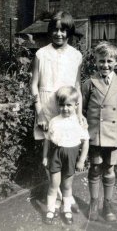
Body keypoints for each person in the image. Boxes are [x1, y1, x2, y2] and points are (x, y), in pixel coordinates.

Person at [31, 11, 83, 214]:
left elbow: (77, 85)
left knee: (67, 150)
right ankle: (61, 198)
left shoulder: (76, 55)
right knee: (49, 154)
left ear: (69, 32)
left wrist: (79, 113)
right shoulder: (41, 54)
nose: (58, 33)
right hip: (46, 107)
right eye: (55, 29)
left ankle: (66, 196)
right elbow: (33, 85)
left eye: (63, 30)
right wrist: (40, 112)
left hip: (68, 107)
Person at [82, 41, 117, 222]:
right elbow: (82, 109)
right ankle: (94, 204)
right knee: (95, 168)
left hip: (113, 135)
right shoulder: (89, 83)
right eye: (101, 61)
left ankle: (107, 206)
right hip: (95, 135)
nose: (105, 65)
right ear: (95, 61)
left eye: (109, 61)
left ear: (116, 62)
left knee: (109, 169)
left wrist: (114, 125)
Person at [42, 86, 89, 224]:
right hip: (56, 155)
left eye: (69, 105)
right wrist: (45, 157)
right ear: (58, 105)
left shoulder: (79, 122)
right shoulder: (54, 121)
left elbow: (85, 142)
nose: (65, 108)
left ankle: (66, 210)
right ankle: (51, 210)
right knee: (53, 185)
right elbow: (47, 141)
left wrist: (81, 160)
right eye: (62, 105)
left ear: (76, 105)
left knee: (67, 186)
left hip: (71, 156)